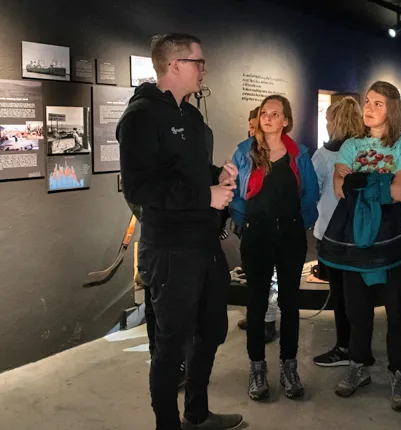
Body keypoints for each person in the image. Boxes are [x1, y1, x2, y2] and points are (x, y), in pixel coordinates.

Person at [117, 33, 243, 430]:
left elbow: (184, 175)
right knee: (170, 346)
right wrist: (204, 195)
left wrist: (215, 176)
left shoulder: (190, 115)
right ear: (174, 66)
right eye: (198, 62)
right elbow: (139, 188)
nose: (204, 69)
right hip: (170, 248)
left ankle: (197, 413)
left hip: (203, 243)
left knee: (212, 330)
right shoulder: (141, 117)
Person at [321, 81, 401, 411]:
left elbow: (400, 193)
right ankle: (357, 366)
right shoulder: (352, 144)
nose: (369, 107)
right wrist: (377, 182)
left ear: (391, 108)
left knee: (397, 310)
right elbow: (340, 187)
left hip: (394, 241)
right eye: (368, 101)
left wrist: (360, 182)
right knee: (356, 309)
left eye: (378, 103)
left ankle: (400, 373)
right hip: (356, 240)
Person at [228, 94, 319, 401]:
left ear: (286, 121)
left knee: (290, 304)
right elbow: (235, 194)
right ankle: (257, 369)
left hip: (291, 235)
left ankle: (289, 367)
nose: (267, 117)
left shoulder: (299, 155)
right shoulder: (245, 152)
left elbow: (310, 194)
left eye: (275, 113)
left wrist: (297, 223)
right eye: (264, 112)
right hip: (257, 236)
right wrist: (246, 221)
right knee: (255, 304)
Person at [311, 97, 365, 367]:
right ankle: (359, 349)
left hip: (332, 233)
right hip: (362, 232)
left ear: (334, 121)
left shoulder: (323, 155)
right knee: (358, 294)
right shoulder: (368, 151)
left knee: (341, 295)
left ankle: (345, 348)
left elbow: (312, 191)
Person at [235, 104, 280, 342]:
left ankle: (268, 321)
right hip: (249, 224)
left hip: (269, 226)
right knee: (253, 274)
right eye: (250, 127)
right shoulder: (244, 153)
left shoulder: (276, 155)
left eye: (256, 127)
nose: (252, 131)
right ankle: (256, 316)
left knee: (270, 276)